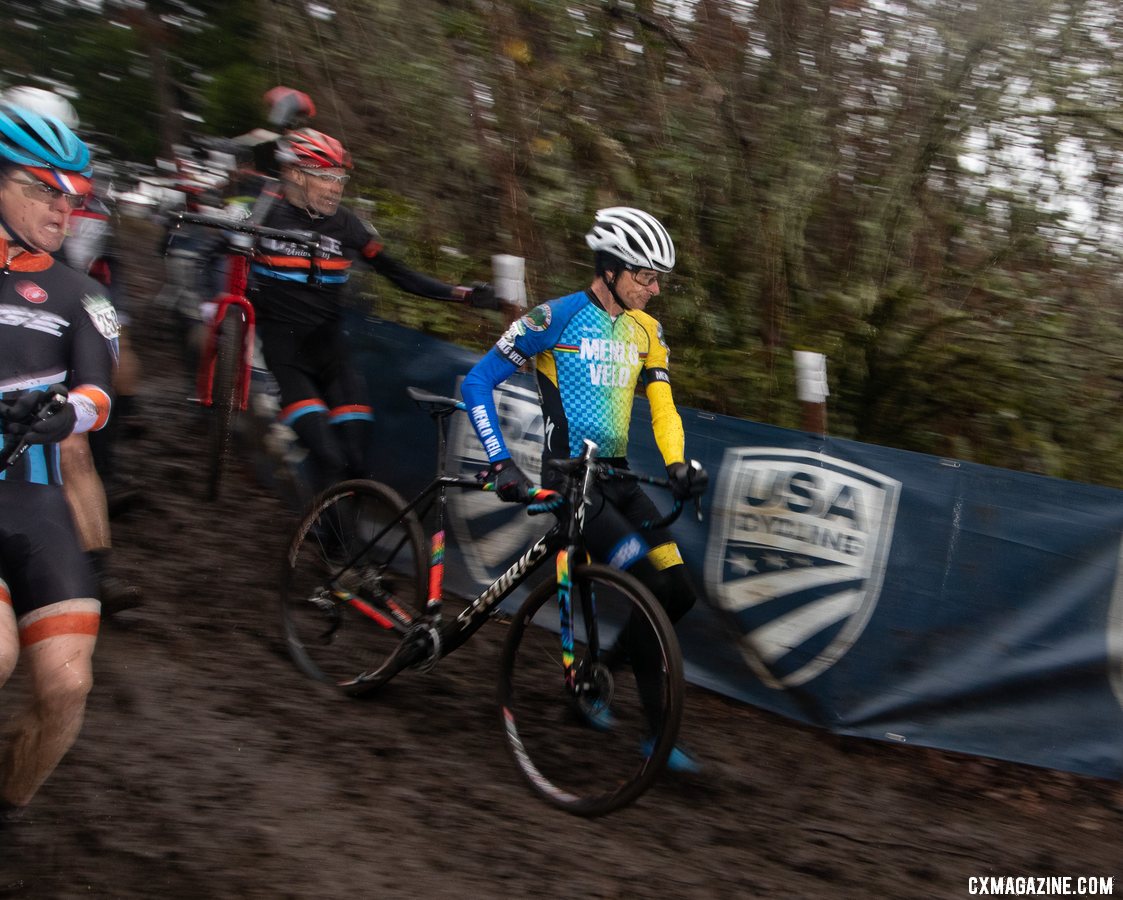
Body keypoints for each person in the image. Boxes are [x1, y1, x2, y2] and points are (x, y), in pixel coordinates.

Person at [460, 206, 708, 771]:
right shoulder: (557, 318)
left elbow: (664, 406)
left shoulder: (648, 330)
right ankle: (655, 737)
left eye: (657, 278)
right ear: (612, 269)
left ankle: (602, 673)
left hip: (616, 474)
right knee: (646, 580)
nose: (654, 289)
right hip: (571, 479)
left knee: (677, 592)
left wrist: (678, 463)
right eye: (645, 276)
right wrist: (499, 461)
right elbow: (477, 382)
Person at [248, 126, 496, 492]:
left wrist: (465, 295)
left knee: (355, 460)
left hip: (333, 355)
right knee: (328, 454)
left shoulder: (347, 224)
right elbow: (230, 273)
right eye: (325, 178)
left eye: (340, 178)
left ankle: (329, 538)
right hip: (287, 358)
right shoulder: (265, 216)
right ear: (295, 175)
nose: (336, 187)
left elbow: (397, 273)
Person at [0, 101, 118, 823]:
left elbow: (99, 393)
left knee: (68, 686)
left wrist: (63, 414)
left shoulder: (84, 293)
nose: (65, 209)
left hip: (33, 502)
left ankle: (6, 808)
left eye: (76, 196)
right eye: (48, 188)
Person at [0, 86, 141, 615]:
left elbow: (94, 261)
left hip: (66, 297)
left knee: (76, 443)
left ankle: (95, 569)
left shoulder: (78, 190)